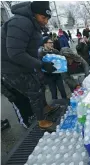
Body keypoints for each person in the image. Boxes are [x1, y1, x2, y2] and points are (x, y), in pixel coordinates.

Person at [1, 1, 58, 131]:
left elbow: (29, 49)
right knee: (34, 91)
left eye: (47, 18)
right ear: (34, 14)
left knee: (40, 83)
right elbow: (15, 53)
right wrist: (41, 64)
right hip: (11, 67)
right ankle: (41, 121)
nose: (46, 21)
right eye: (43, 18)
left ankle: (44, 108)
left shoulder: (32, 23)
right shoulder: (21, 22)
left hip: (23, 64)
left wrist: (41, 62)